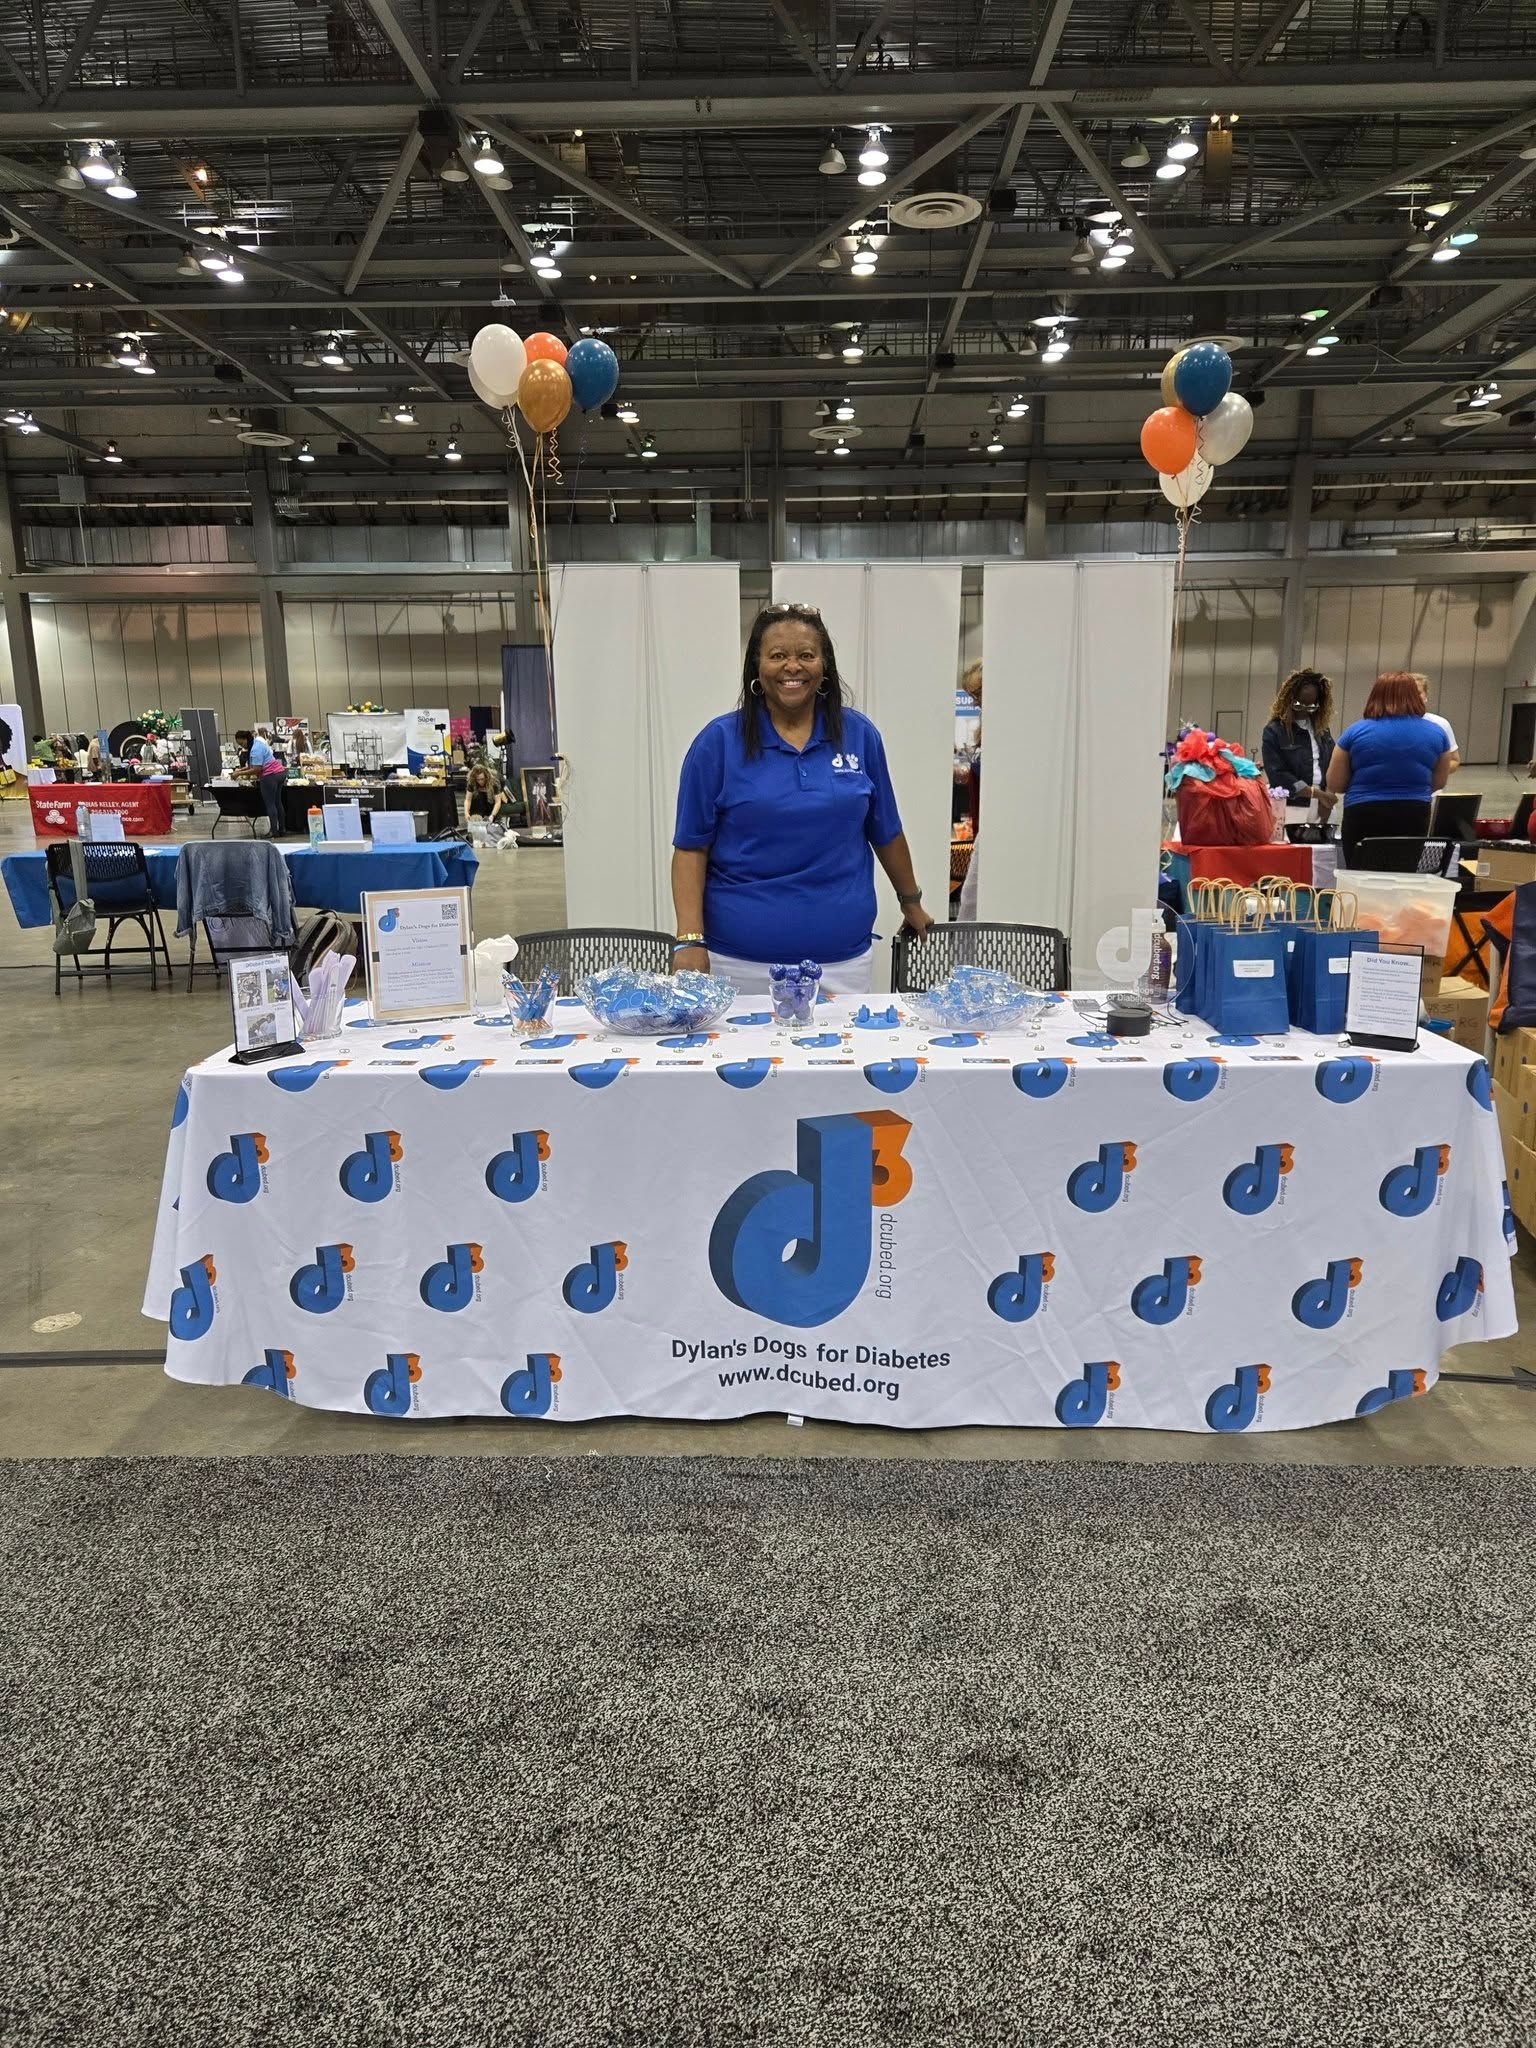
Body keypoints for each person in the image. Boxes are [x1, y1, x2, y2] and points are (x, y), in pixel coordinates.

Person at [671, 601, 933, 996]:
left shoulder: (859, 735)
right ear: (757, 668)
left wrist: (910, 901)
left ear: (823, 667)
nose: (792, 666)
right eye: (778, 655)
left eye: (806, 655)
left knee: (839, 1058)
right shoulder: (718, 743)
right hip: (738, 967)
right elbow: (691, 848)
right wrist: (690, 939)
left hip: (842, 965)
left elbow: (886, 831)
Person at [1326, 669, 1452, 866]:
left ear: (1376, 695)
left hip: (1364, 812)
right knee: (1403, 872)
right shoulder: (1437, 733)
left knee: (1361, 874)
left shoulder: (1355, 732)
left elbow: (1335, 782)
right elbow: (1438, 782)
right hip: (1414, 813)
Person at [1261, 668, 1336, 824]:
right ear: (1288, 700)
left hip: (1324, 802)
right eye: (1299, 705)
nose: (1304, 711)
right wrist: (1317, 794)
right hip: (1293, 805)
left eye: (1311, 706)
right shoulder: (1274, 731)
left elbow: (1332, 764)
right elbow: (1278, 775)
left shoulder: (1322, 730)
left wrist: (1327, 797)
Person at [236, 726, 287, 839]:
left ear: (245, 739)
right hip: (280, 773)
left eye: (241, 743)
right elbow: (252, 765)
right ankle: (282, 830)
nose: (241, 746)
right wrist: (241, 770)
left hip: (270, 776)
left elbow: (257, 769)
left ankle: (274, 832)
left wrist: (238, 774)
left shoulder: (255, 749)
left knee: (270, 804)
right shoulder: (257, 743)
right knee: (278, 802)